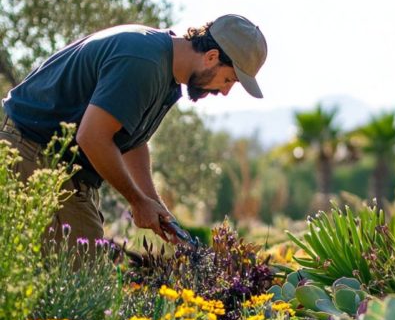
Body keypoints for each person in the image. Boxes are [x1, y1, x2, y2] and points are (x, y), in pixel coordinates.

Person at [0, 14, 267, 244]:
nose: (225, 91)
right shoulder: (144, 63)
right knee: (78, 280)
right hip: (30, 153)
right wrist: (137, 202)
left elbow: (131, 141)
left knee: (74, 281)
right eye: (228, 79)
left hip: (50, 160)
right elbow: (92, 137)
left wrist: (152, 202)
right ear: (211, 57)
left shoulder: (167, 73)